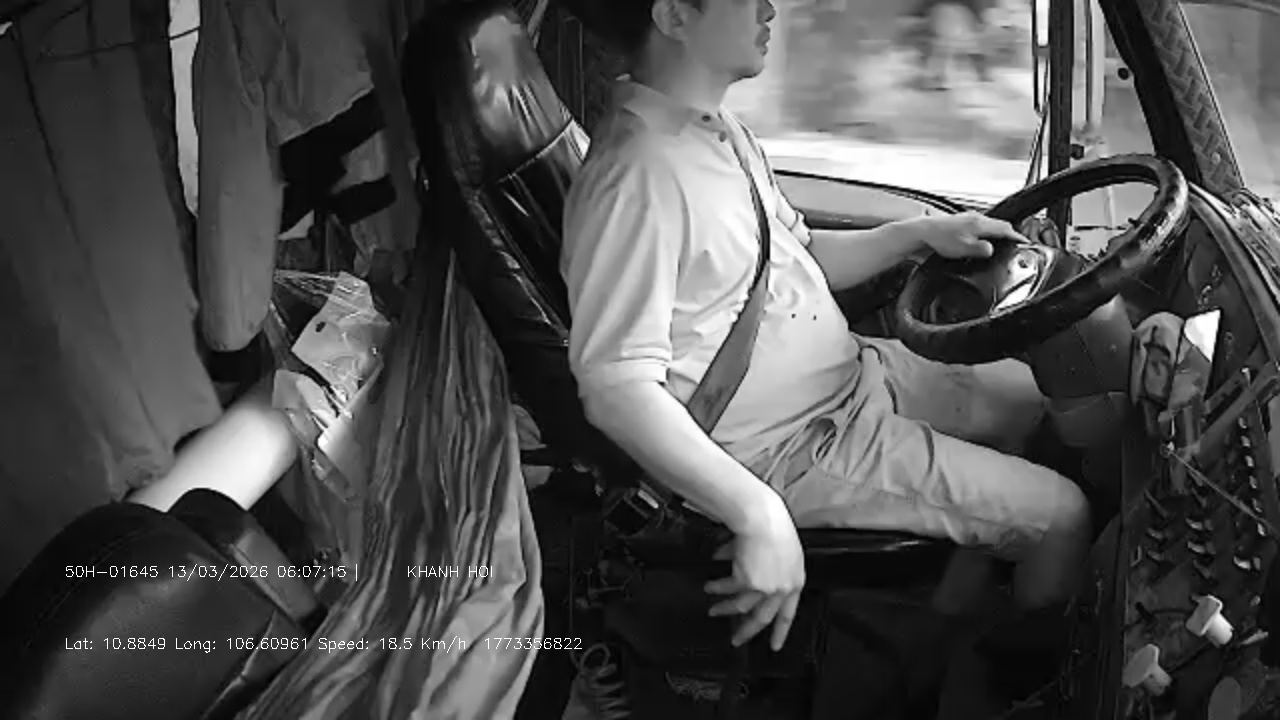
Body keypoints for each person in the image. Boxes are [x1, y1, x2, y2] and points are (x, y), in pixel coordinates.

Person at [561, 0, 1091, 656]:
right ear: (674, 15)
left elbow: (799, 255)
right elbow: (616, 386)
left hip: (854, 375)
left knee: (1038, 401)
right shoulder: (637, 178)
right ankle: (1007, 683)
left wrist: (920, 234)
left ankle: (945, 620)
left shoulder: (716, 132)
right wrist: (757, 511)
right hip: (790, 447)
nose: (768, 9)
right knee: (1063, 519)